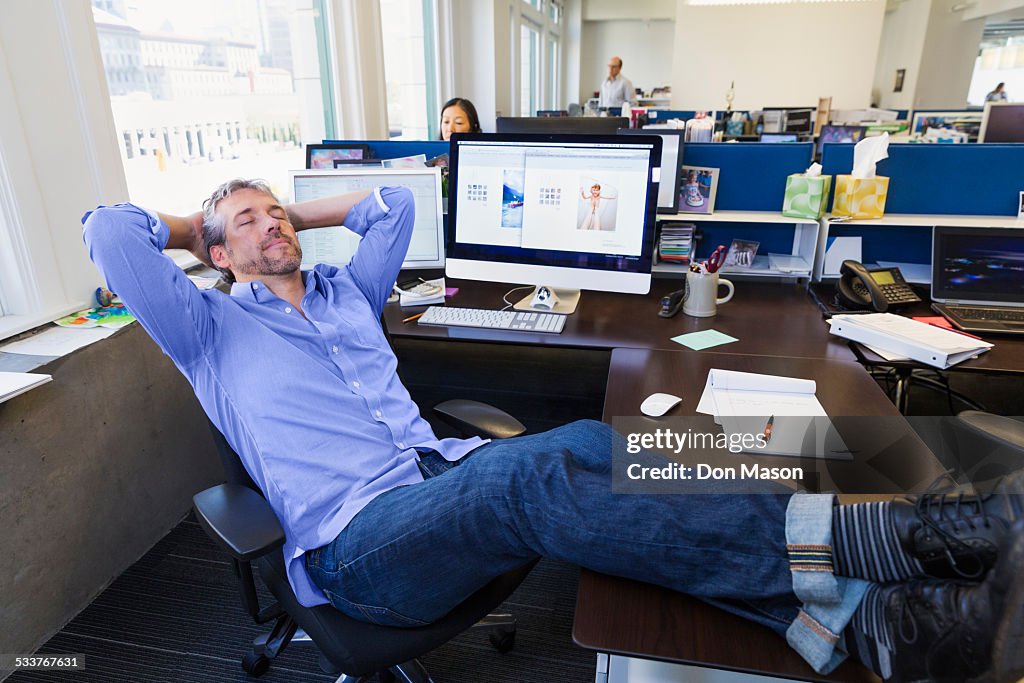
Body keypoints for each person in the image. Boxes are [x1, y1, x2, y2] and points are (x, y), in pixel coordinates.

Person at [82, 180, 1024, 683]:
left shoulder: (347, 295)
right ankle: (903, 538)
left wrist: (283, 216)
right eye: (249, 224)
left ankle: (873, 624)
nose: (275, 226)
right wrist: (201, 220)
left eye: (279, 214)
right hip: (355, 549)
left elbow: (395, 207)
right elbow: (107, 231)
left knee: (586, 445)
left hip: (437, 481)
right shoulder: (208, 328)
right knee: (528, 479)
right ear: (213, 254)